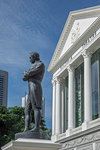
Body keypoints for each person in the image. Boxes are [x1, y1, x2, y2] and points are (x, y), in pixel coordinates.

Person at [23, 52, 45, 132]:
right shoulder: (33, 65)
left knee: (36, 107)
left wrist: (26, 73)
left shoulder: (40, 64)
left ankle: (37, 128)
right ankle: (26, 128)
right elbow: (25, 78)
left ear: (34, 57)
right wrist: (26, 74)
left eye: (30, 57)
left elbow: (30, 73)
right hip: (30, 86)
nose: (29, 59)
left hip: (35, 85)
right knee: (27, 109)